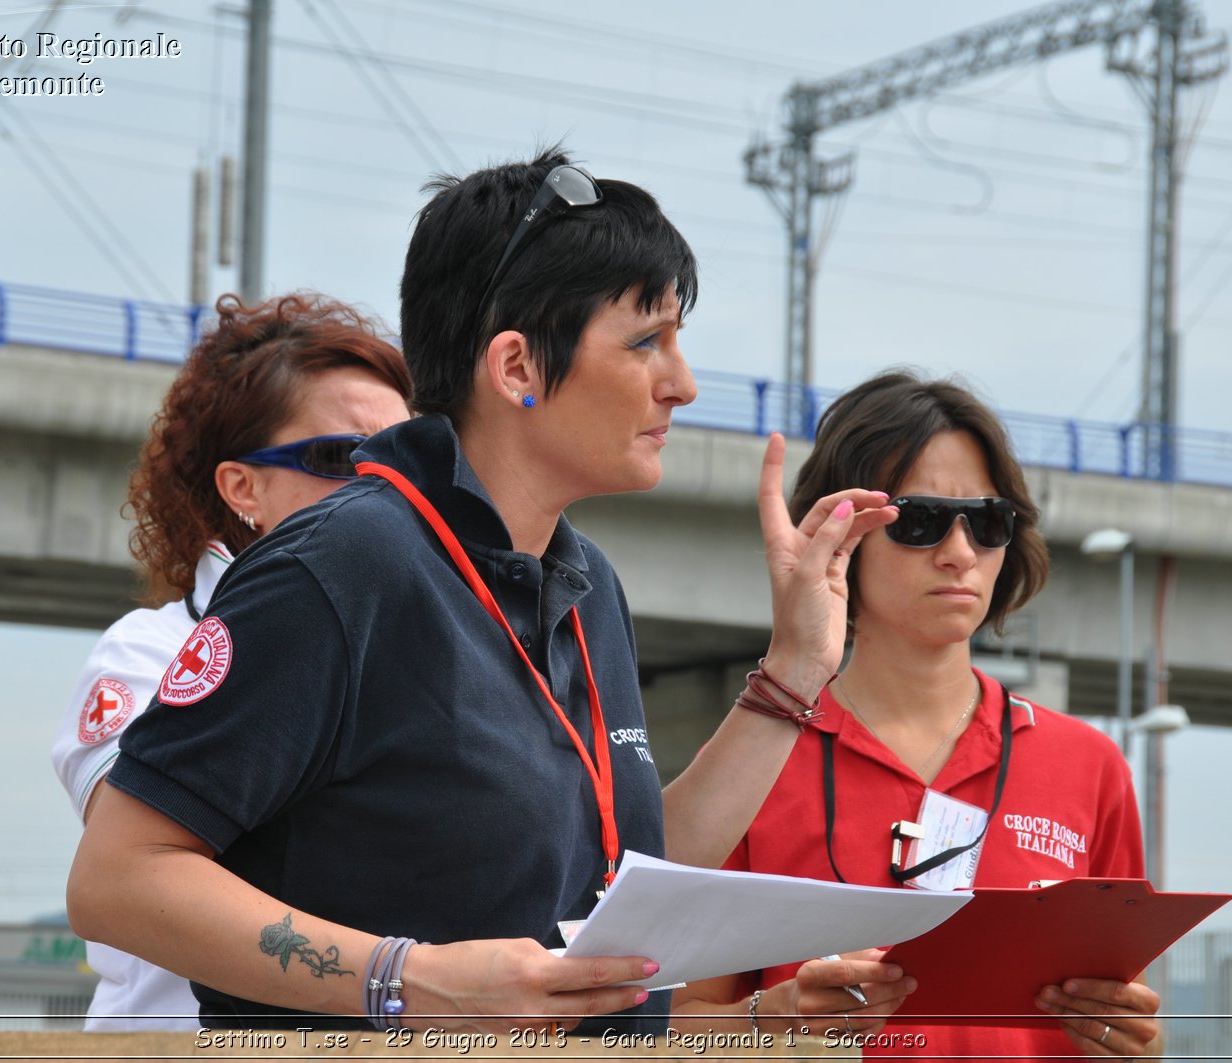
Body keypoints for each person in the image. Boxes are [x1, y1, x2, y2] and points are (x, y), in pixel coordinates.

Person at [65, 148, 897, 1034]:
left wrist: (798, 664)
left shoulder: (584, 583)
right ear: (516, 369)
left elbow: (626, 872)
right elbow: (119, 877)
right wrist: (409, 978)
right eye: (646, 341)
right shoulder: (345, 563)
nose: (682, 384)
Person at [674, 371, 1163, 1061]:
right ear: (842, 536)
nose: (960, 551)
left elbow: (1126, 1016)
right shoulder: (752, 764)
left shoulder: (1091, 768)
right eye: (920, 519)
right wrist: (771, 1020)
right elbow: (671, 1026)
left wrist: (1136, 1044)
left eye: (988, 521)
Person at [50, 291, 413, 1031]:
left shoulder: (427, 652)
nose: (388, 489)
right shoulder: (150, 651)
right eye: (345, 457)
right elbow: (140, 867)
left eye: (408, 459)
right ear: (242, 487)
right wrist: (410, 977)